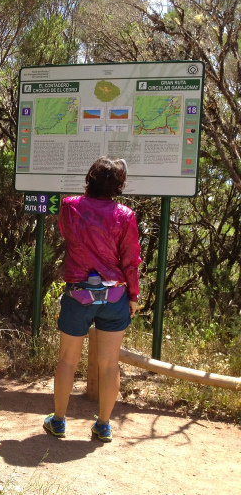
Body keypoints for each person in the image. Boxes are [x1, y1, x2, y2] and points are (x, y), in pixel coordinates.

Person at [43, 156, 141, 443]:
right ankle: (103, 425)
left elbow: (67, 235)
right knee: (110, 364)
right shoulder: (125, 215)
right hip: (115, 296)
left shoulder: (70, 207)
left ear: (90, 179)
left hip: (79, 294)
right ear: (118, 185)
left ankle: (59, 421)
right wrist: (133, 295)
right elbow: (131, 259)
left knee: (67, 361)